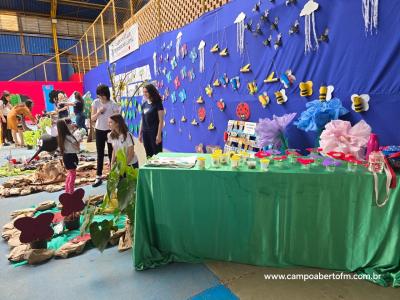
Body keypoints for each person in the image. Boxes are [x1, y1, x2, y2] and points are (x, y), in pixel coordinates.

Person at [91, 84, 120, 187]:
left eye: (102, 95)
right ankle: (98, 176)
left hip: (110, 132)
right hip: (99, 130)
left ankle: (113, 175)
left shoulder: (113, 104)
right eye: (99, 95)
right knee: (100, 153)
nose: (101, 97)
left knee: (112, 153)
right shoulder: (96, 102)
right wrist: (99, 112)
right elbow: (92, 118)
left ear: (106, 94)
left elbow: (118, 119)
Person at [139, 84, 165, 157]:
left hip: (154, 132)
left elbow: (161, 121)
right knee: (148, 154)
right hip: (145, 133)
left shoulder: (158, 104)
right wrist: (140, 133)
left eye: (146, 92)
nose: (144, 94)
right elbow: (142, 119)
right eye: (143, 92)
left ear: (151, 92)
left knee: (157, 154)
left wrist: (159, 135)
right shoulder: (144, 105)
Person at [57, 119, 80, 194]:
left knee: (69, 174)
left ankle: (67, 191)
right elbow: (75, 144)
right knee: (73, 175)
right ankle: (71, 193)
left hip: (65, 156)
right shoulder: (68, 136)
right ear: (65, 126)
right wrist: (77, 148)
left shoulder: (60, 137)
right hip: (71, 156)